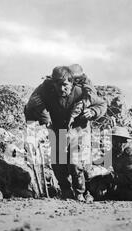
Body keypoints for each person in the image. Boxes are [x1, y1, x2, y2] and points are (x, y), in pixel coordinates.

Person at [24, 65, 107, 201]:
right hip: (58, 131)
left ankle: (81, 192)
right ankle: (66, 191)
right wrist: (43, 116)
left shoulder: (81, 92)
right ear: (53, 84)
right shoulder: (46, 92)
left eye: (65, 85)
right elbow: (32, 105)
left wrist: (92, 112)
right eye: (58, 86)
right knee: (58, 163)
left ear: (72, 82)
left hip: (78, 130)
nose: (62, 89)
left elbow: (102, 104)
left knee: (75, 162)